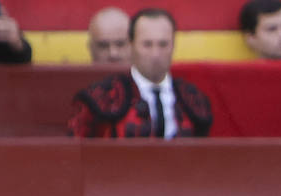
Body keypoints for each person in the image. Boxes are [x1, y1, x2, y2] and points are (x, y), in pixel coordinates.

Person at [69, 8, 212, 139]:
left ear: (173, 46)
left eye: (163, 44)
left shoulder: (193, 99)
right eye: (147, 44)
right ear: (131, 46)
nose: (155, 54)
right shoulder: (100, 97)